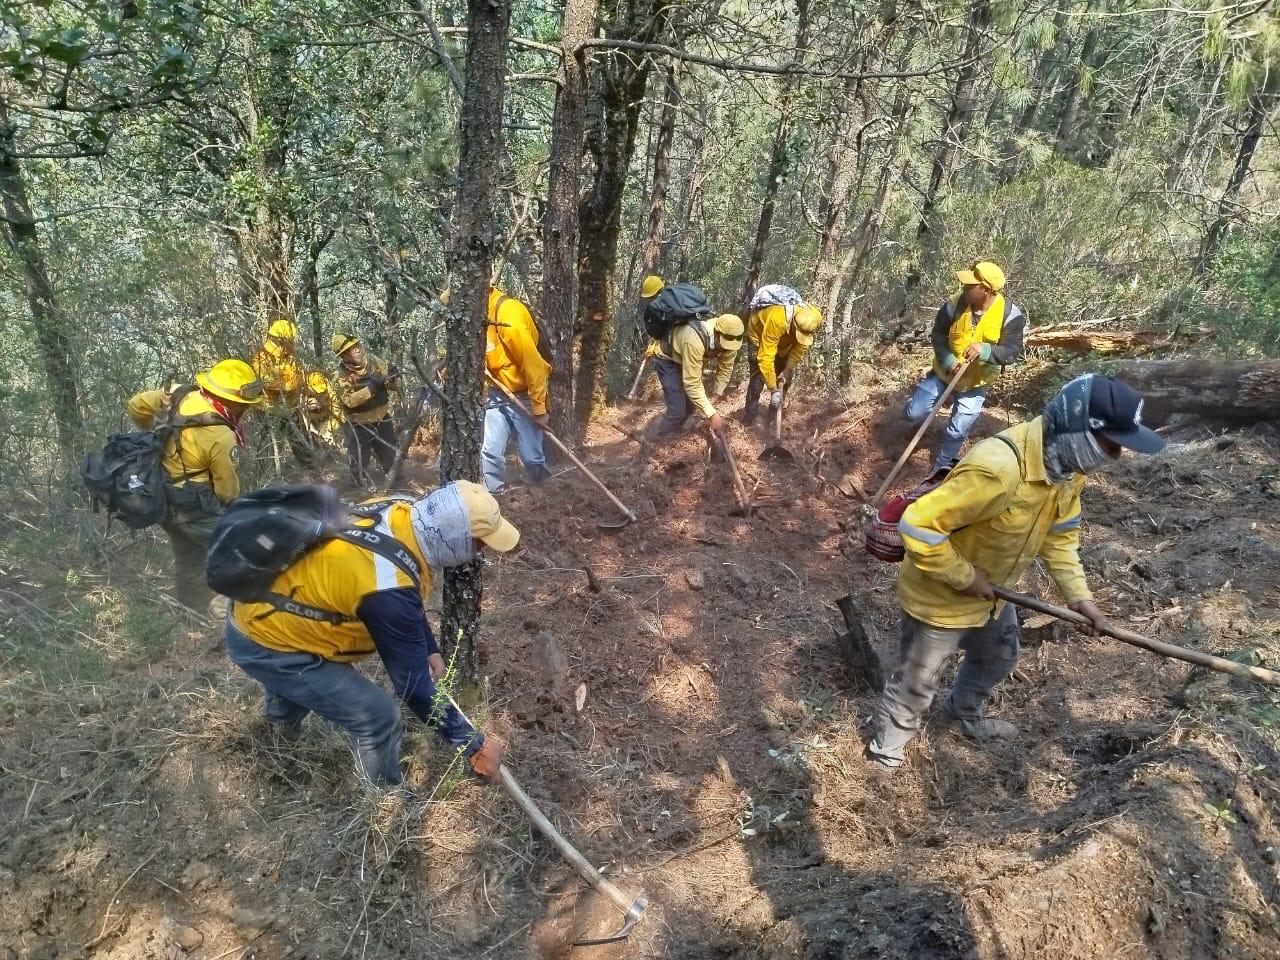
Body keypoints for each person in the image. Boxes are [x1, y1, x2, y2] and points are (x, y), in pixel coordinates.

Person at [867, 374, 1166, 769]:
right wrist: (964, 577)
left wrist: (1079, 598)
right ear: (1078, 431)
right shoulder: (998, 470)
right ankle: (885, 752)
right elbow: (917, 526)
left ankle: (964, 714)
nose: (1115, 456)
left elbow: (1059, 537)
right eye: (1111, 445)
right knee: (916, 684)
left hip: (993, 594)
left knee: (999, 658)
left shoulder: (1065, 469)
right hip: (940, 597)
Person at [224, 480, 515, 787]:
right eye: (478, 544)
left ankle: (274, 746)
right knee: (380, 718)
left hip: (272, 615)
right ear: (454, 536)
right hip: (267, 641)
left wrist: (428, 646)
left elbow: (400, 586)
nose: (477, 554)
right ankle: (383, 804)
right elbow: (414, 689)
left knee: (290, 702)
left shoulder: (400, 512)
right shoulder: (389, 591)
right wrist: (474, 746)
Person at [127, 360, 264, 611]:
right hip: (195, 506)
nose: (245, 408)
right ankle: (236, 611)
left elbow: (136, 405)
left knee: (188, 560)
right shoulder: (220, 434)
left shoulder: (178, 394)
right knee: (240, 549)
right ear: (229, 398)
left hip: (165, 497)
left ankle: (192, 613)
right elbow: (227, 490)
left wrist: (150, 430)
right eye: (243, 403)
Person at [905, 260, 1027, 477]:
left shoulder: (1010, 315)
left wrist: (986, 350)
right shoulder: (954, 304)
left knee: (957, 431)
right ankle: (909, 416)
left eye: (971, 286)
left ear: (987, 290)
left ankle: (938, 473)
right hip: (944, 373)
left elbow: (1011, 351)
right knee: (915, 412)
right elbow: (938, 334)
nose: (964, 287)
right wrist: (948, 359)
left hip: (975, 383)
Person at [482, 287, 552, 493]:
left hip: (523, 394)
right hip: (497, 392)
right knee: (490, 451)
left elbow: (536, 367)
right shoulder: (475, 319)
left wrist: (539, 410)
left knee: (531, 456)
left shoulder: (507, 315)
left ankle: (543, 490)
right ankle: (494, 494)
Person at [649, 313, 745, 438]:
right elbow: (692, 384)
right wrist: (712, 414)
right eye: (724, 346)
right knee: (677, 411)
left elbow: (725, 369)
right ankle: (654, 440)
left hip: (686, 361)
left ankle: (677, 435)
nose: (727, 350)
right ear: (717, 333)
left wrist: (717, 393)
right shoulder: (694, 340)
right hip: (668, 360)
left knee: (690, 408)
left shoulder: (732, 341)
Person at [742, 284, 823, 426]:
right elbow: (765, 357)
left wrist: (787, 370)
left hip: (783, 343)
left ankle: (772, 419)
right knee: (758, 376)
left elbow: (800, 348)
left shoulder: (812, 318)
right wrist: (773, 389)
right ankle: (750, 418)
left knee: (786, 378)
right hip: (759, 336)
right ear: (793, 324)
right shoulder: (777, 319)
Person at [332, 333, 400, 486]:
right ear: (343, 355)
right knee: (359, 463)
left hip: (382, 419)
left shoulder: (375, 363)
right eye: (351, 349)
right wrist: (372, 388)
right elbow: (349, 401)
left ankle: (396, 486)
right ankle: (358, 491)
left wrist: (392, 379)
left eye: (357, 346)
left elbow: (392, 387)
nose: (357, 350)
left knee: (391, 457)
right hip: (359, 425)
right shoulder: (340, 375)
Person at [251, 318, 312, 463]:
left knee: (299, 441)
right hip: (270, 410)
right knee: (271, 446)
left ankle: (310, 470)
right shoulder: (262, 359)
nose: (294, 344)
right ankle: (269, 477)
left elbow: (300, 376)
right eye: (291, 340)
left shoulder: (289, 357)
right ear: (282, 340)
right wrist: (292, 385)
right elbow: (270, 384)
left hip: (291, 407)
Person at [300, 371, 342, 450]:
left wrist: (330, 431)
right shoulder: (301, 391)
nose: (317, 394)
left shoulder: (331, 391)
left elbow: (338, 412)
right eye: (314, 391)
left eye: (320, 393)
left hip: (329, 421)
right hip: (312, 425)